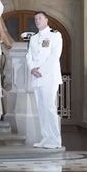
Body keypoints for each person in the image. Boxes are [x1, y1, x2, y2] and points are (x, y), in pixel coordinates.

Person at [26, 11, 63, 149]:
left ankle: (55, 140)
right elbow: (29, 56)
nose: (37, 21)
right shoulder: (34, 38)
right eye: (35, 19)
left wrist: (40, 70)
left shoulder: (55, 35)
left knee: (49, 107)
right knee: (41, 109)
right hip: (36, 77)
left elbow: (54, 56)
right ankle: (46, 137)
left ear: (46, 20)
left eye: (40, 18)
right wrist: (32, 69)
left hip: (49, 77)